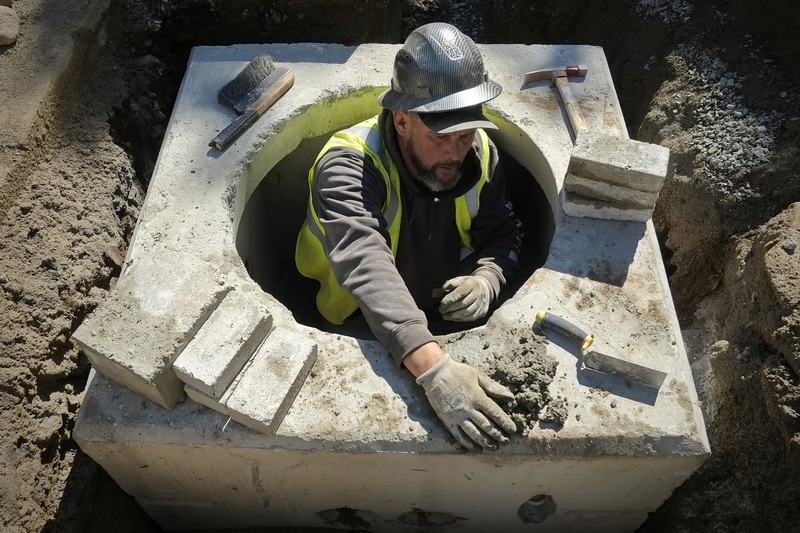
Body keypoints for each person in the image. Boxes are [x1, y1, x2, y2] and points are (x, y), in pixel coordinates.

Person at [295, 22, 521, 452]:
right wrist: (434, 370)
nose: (455, 152)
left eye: (465, 134)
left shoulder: (480, 153)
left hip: (439, 310)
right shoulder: (347, 167)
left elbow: (503, 233)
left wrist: (487, 279)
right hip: (357, 320)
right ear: (401, 120)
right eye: (440, 137)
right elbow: (366, 264)